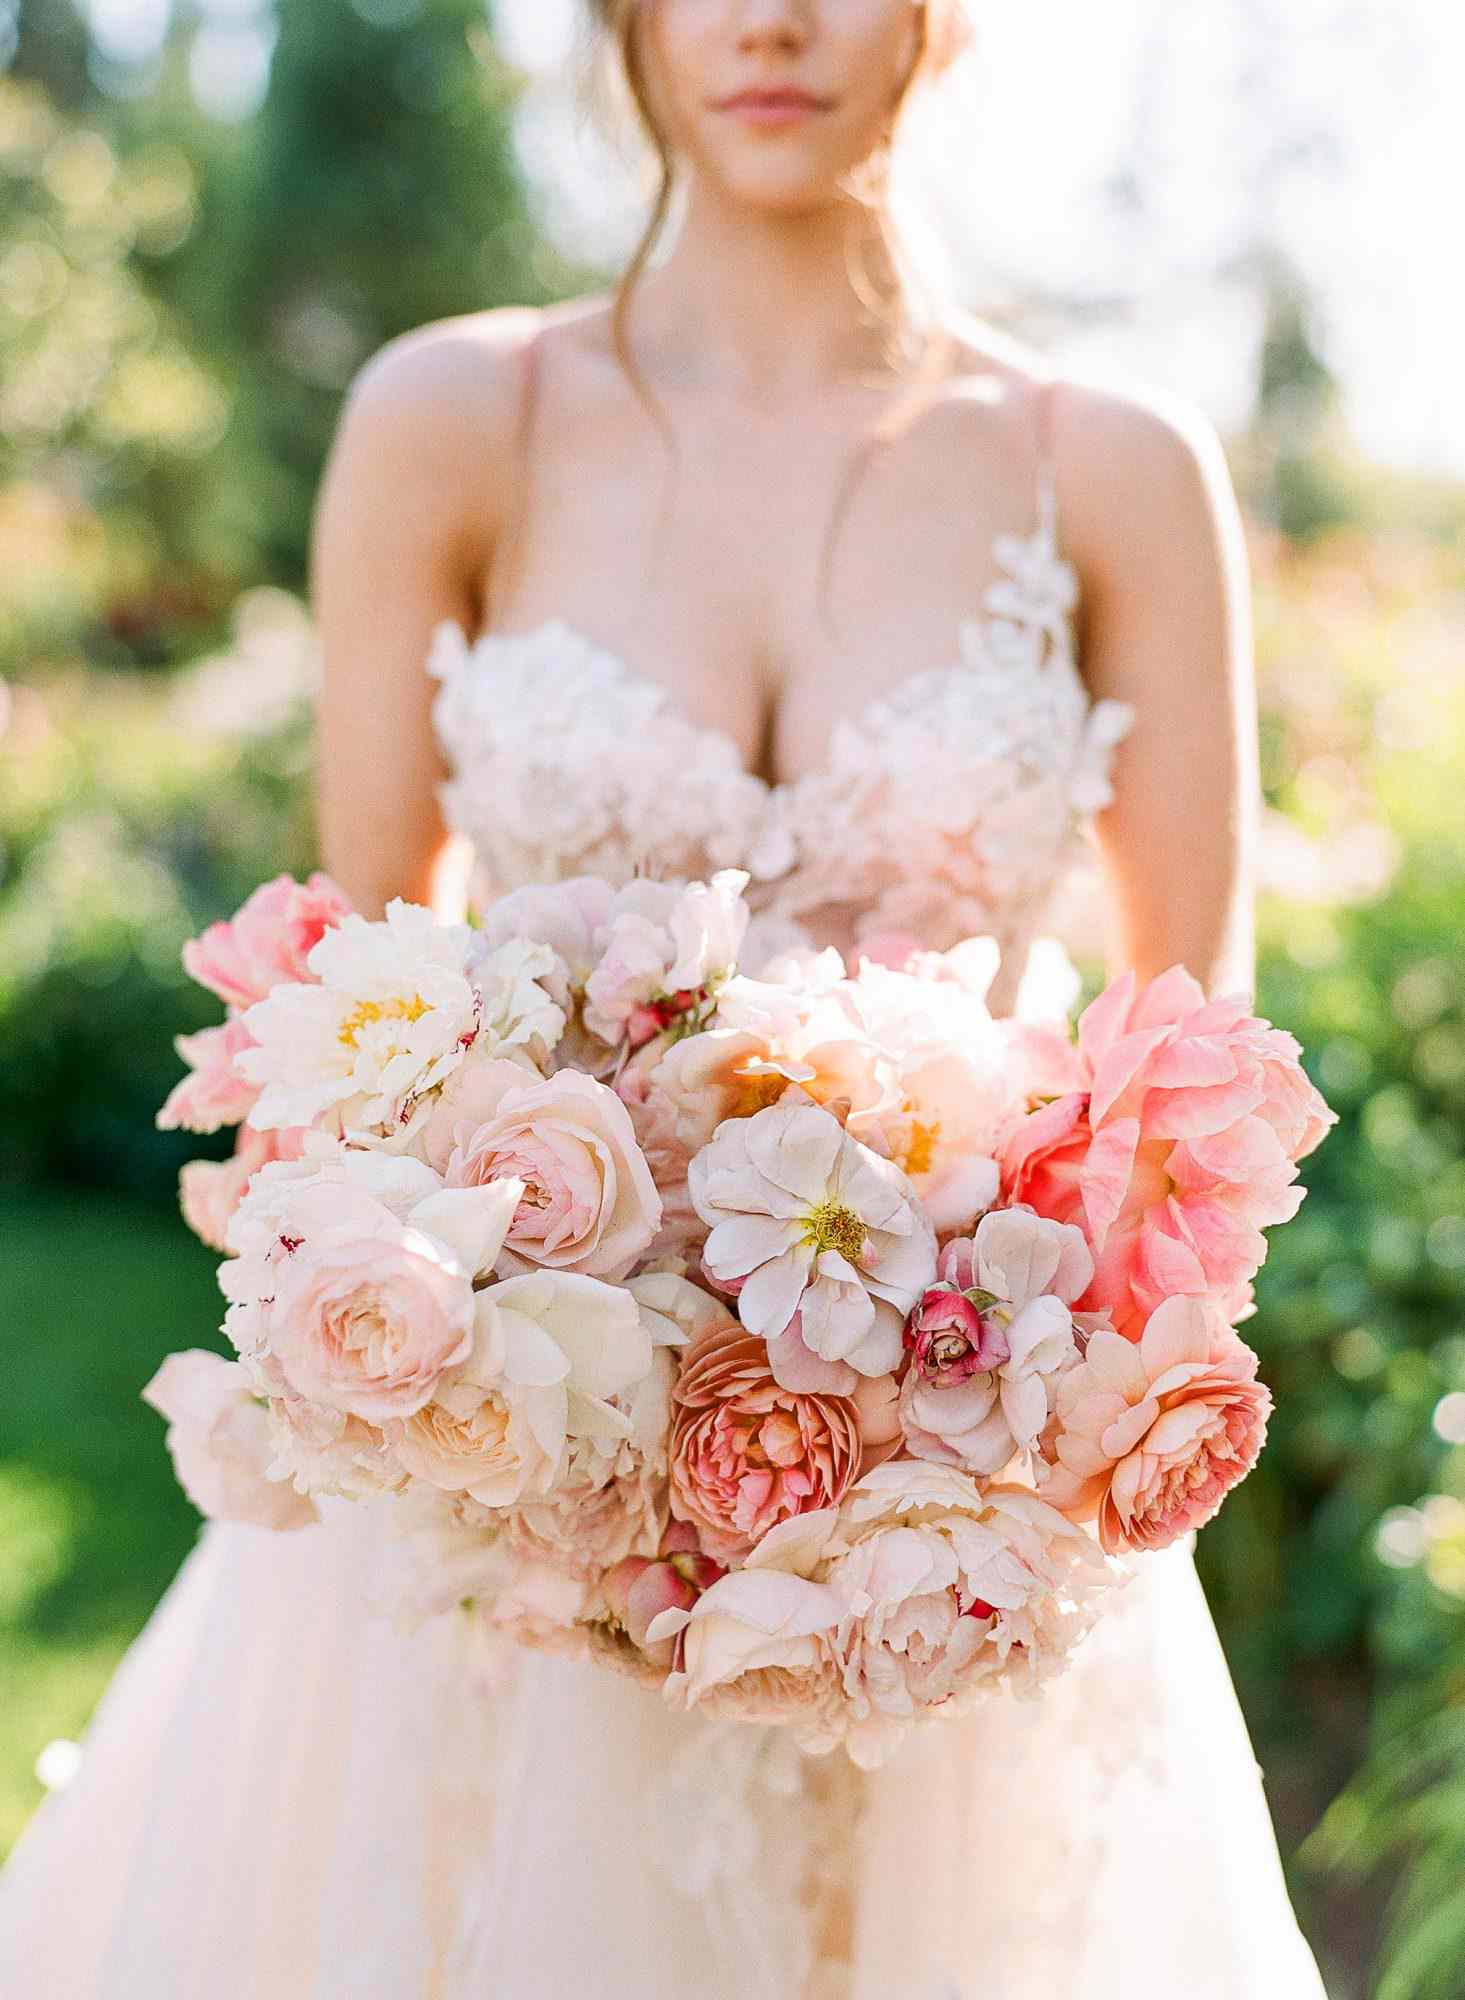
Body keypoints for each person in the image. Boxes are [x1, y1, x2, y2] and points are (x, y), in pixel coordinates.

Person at [0, 3, 1332, 1995]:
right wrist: (514, 1402)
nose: (770, 20)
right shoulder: (456, 418)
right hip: (499, 1508)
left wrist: (940, 1425)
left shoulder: (1112, 467)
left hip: (951, 1510)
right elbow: (349, 1007)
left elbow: (1186, 1107)